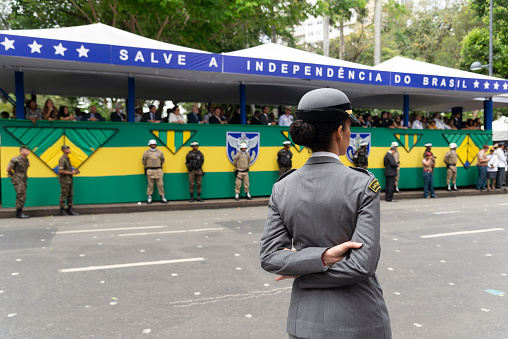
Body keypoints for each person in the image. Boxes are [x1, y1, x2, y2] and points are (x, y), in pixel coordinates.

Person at [259, 88, 391, 339]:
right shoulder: (362, 184)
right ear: (340, 131)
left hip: (303, 323)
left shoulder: (282, 187)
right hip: (359, 322)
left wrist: (305, 268)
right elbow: (363, 265)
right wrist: (325, 257)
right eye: (349, 127)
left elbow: (270, 258)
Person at [6, 145, 31, 218]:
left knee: (22, 195)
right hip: (17, 179)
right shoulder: (15, 159)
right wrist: (11, 174)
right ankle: (19, 213)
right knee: (21, 195)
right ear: (22, 151)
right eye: (26, 150)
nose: (28, 152)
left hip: (24, 179)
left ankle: (19, 212)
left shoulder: (26, 160)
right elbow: (8, 168)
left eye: (28, 150)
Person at [142, 139, 167, 204]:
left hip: (158, 169)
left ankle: (162, 197)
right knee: (150, 185)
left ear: (156, 145)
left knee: (160, 184)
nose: (153, 145)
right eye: (152, 144)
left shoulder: (160, 152)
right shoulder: (146, 153)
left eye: (154, 144)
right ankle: (149, 197)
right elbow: (143, 162)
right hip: (150, 169)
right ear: (149, 145)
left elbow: (163, 160)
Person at [58, 145, 80, 216]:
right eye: (67, 149)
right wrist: (71, 173)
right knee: (64, 195)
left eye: (68, 148)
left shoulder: (67, 158)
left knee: (70, 195)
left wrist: (74, 171)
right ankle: (62, 210)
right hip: (64, 180)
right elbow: (60, 170)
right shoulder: (62, 159)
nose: (69, 149)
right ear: (63, 150)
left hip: (69, 180)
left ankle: (70, 209)